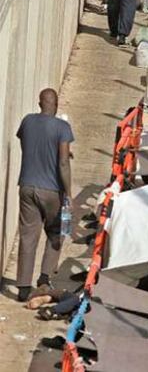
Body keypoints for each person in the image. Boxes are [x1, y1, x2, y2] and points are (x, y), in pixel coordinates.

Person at [15, 89, 74, 302]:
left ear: (40, 103)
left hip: (27, 186)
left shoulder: (27, 121)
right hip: (52, 191)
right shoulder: (63, 127)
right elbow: (63, 162)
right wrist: (68, 193)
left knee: (28, 235)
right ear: (56, 105)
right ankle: (44, 278)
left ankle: (22, 287)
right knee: (57, 231)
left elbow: (26, 145)